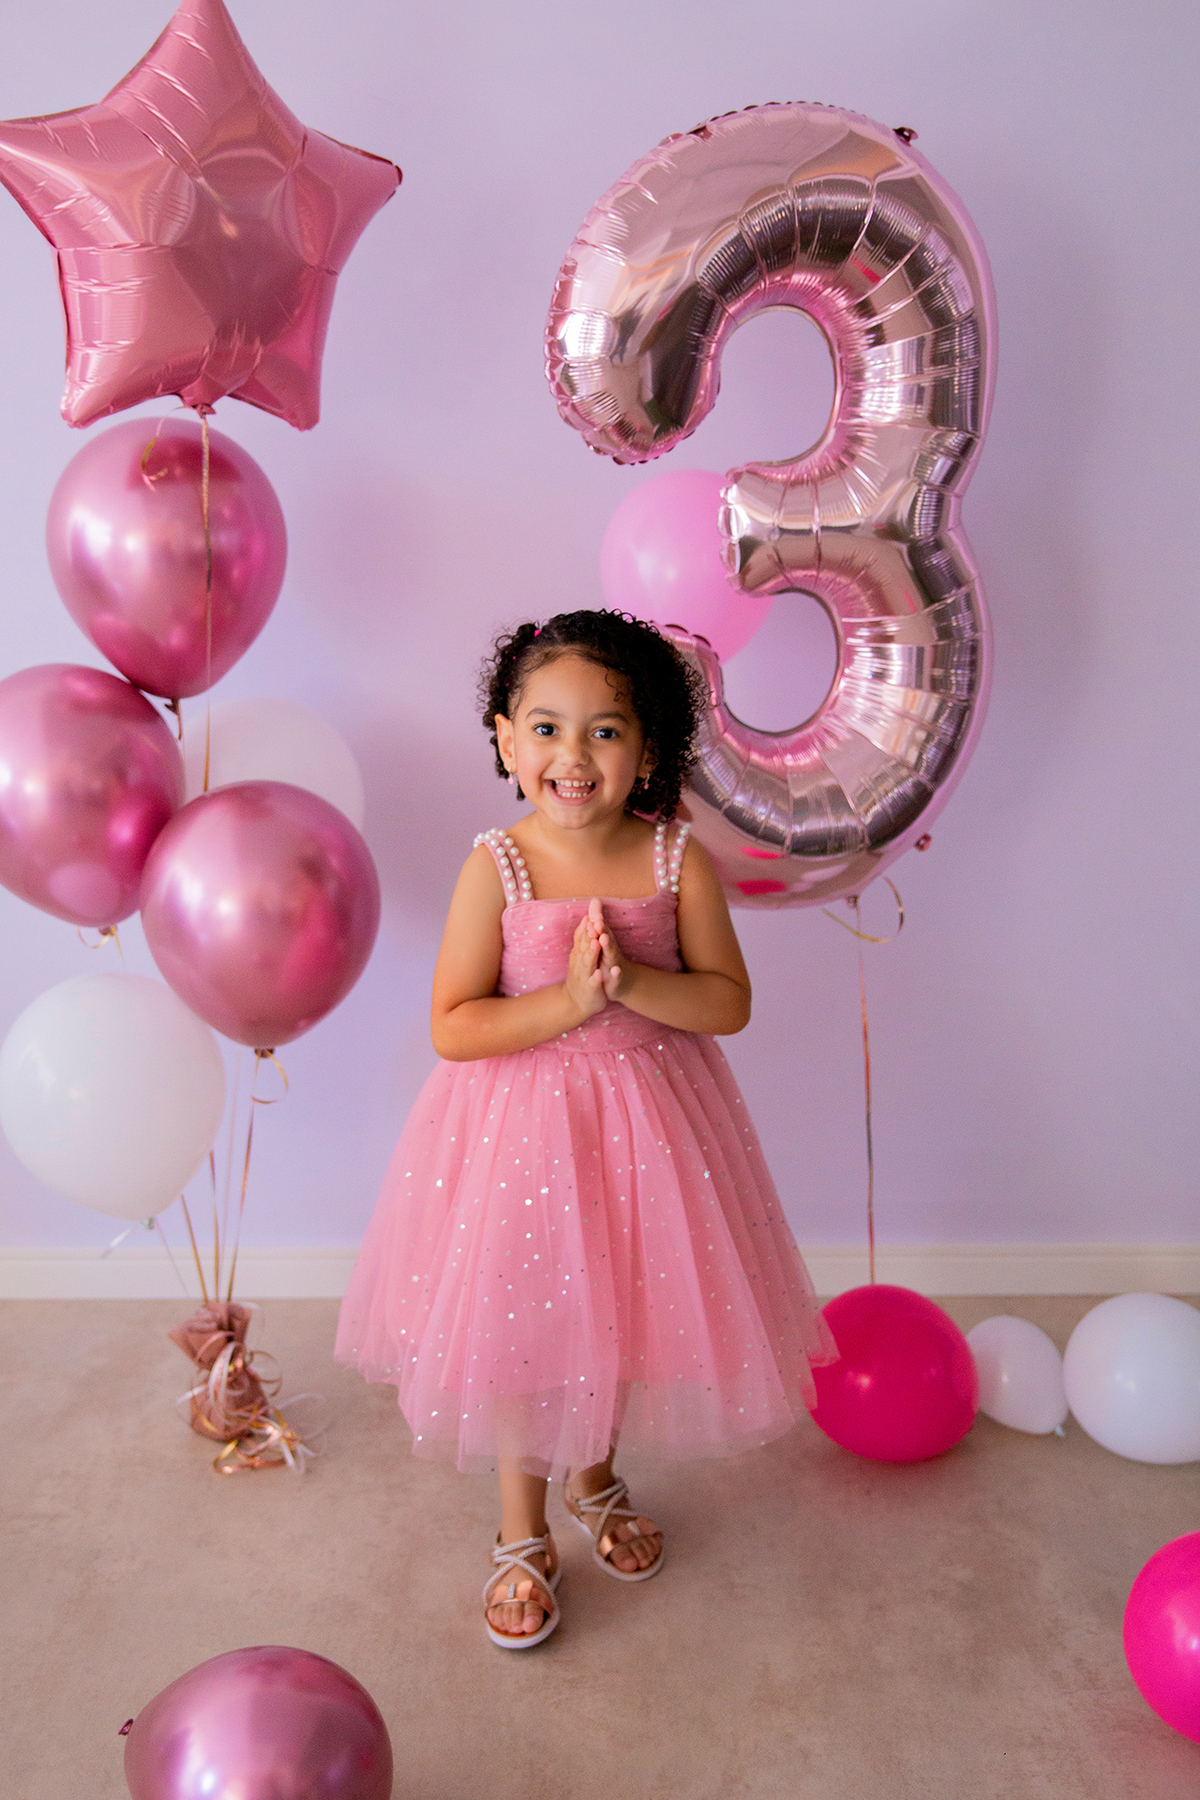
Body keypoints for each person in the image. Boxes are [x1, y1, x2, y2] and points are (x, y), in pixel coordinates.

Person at [335, 609, 836, 1648]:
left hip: (651, 1131)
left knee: (622, 1313)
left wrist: (634, 984)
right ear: (508, 739)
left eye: (607, 731)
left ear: (649, 749)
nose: (575, 755)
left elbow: (727, 1003)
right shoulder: (499, 866)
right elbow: (454, 1025)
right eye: (548, 728)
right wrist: (567, 1003)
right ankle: (521, 1532)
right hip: (519, 1137)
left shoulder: (675, 860)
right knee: (523, 1329)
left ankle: (596, 1479)